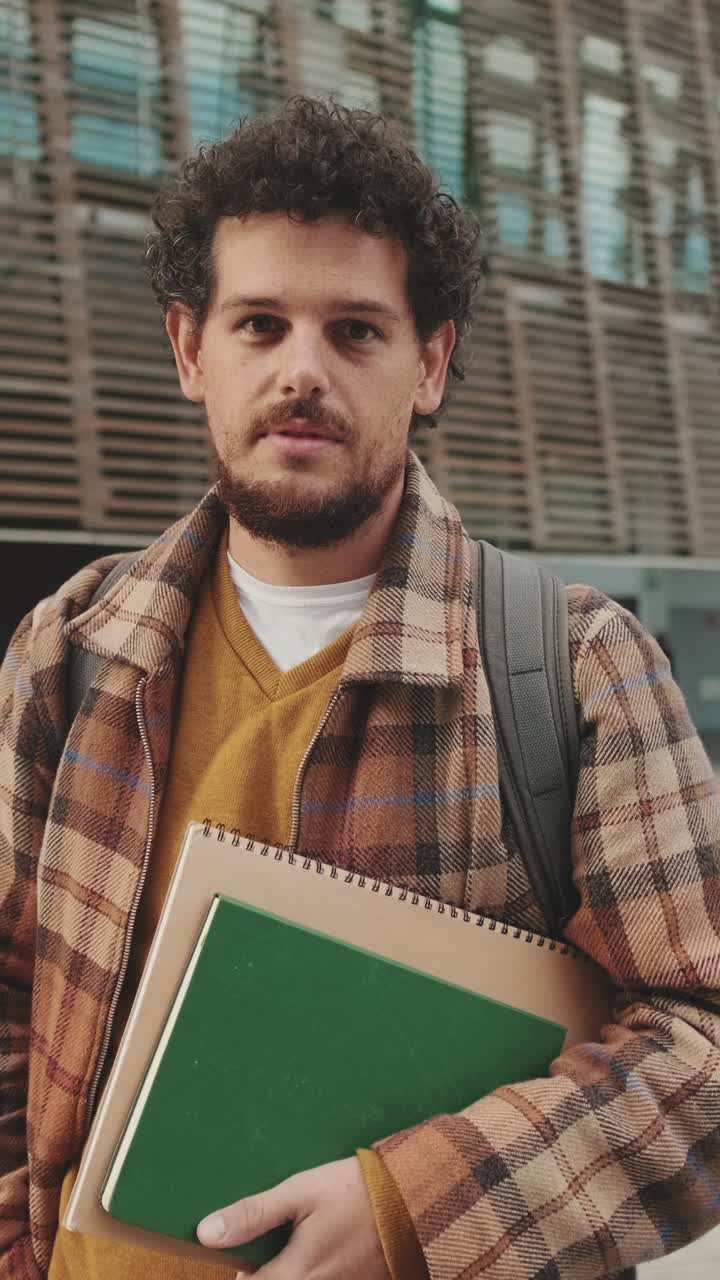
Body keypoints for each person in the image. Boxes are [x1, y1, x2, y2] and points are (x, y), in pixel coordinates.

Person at [1, 96, 719, 1280]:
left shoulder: (579, 667)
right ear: (191, 350)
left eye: (356, 331)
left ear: (429, 362)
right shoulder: (67, 650)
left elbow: (700, 1052)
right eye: (260, 324)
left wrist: (413, 1213)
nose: (301, 371)